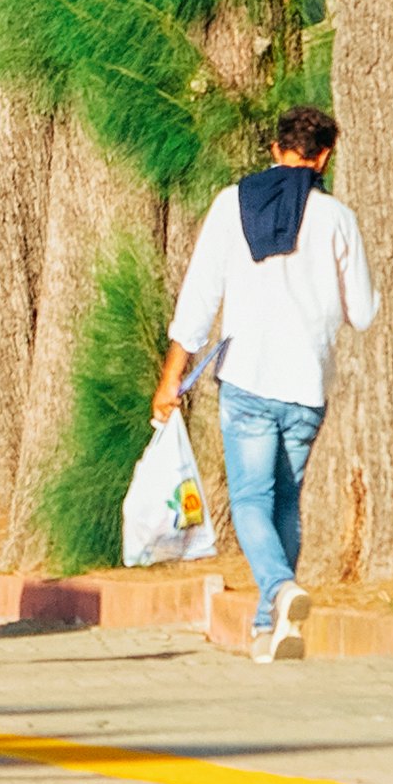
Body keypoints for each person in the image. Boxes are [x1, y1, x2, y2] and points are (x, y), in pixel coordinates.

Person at [158, 105, 376, 662]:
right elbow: (365, 313)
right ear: (324, 156)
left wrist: (171, 378)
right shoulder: (337, 218)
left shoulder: (232, 205)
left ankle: (279, 591)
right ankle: (268, 629)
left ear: (276, 149)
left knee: (252, 499)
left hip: (248, 379)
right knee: (285, 503)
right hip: (307, 384)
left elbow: (199, 299)